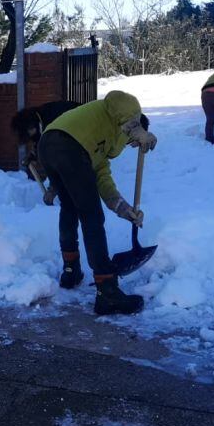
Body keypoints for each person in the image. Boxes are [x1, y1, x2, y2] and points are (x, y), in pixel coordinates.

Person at [38, 91, 156, 316]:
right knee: (92, 216)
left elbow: (103, 180)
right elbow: (115, 98)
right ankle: (107, 291)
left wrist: (124, 209)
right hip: (66, 144)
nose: (130, 144)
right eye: (132, 140)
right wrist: (137, 128)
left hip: (49, 146)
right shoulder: (126, 108)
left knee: (70, 207)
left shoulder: (100, 146)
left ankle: (71, 270)